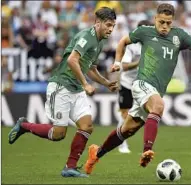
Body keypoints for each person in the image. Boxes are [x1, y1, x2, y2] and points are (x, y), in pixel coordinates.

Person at [84, 3, 191, 175]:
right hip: (142, 83)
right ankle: (147, 150)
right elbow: (123, 42)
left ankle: (96, 154)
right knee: (158, 106)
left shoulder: (179, 36)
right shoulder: (145, 32)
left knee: (127, 130)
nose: (165, 26)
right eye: (161, 22)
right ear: (155, 19)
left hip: (155, 90)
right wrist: (118, 63)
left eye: (168, 22)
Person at [8, 7, 118, 178]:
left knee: (87, 126)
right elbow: (72, 60)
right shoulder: (86, 37)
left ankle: (70, 167)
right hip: (62, 86)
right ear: (98, 22)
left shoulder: (100, 41)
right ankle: (24, 126)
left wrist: (106, 82)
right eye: (108, 25)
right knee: (59, 134)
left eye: (113, 26)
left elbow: (91, 67)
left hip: (75, 88)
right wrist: (85, 85)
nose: (111, 29)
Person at [117, 20, 152, 154]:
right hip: (127, 84)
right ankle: (122, 144)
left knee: (147, 115)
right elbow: (124, 66)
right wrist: (139, 62)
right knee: (125, 116)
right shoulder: (132, 46)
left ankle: (148, 146)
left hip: (142, 84)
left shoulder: (152, 46)